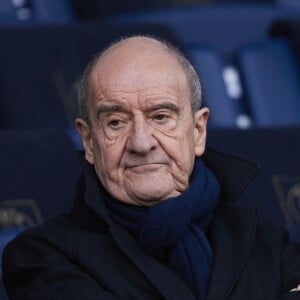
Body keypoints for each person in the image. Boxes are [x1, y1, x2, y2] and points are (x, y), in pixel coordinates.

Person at [2, 35, 300, 300]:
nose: (141, 143)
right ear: (90, 142)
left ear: (198, 131)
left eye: (160, 116)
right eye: (116, 122)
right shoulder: (42, 258)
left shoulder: (266, 240)